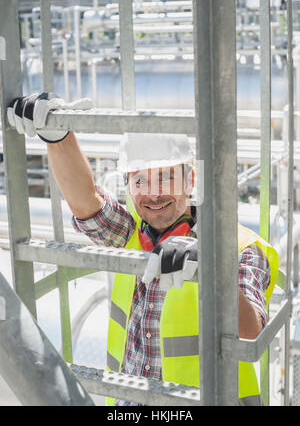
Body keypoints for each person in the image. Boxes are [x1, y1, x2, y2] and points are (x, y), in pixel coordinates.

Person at [7, 93, 279, 406]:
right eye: (140, 180)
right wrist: (58, 137)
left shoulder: (242, 247)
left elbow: (251, 332)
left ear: (190, 179)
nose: (152, 193)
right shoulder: (133, 233)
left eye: (165, 176)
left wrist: (211, 269)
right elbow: (88, 205)